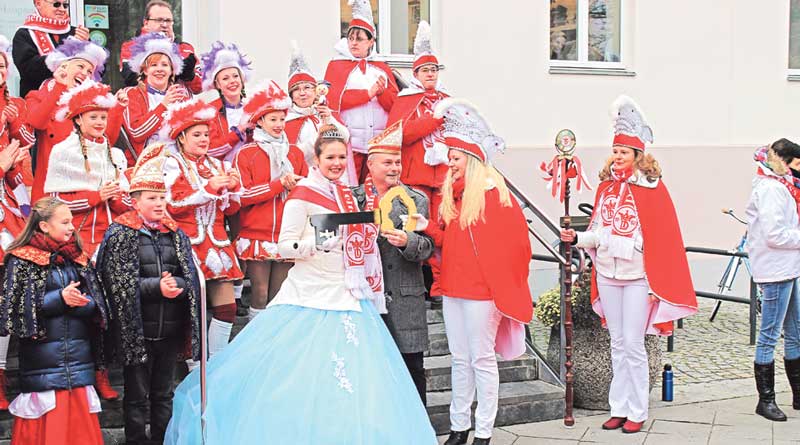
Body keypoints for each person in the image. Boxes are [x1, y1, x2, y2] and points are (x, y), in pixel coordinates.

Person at [164, 125, 437, 444]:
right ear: (316, 158)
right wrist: (316, 244)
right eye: (330, 157)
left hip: (348, 294)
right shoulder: (302, 194)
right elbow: (284, 246)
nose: (336, 163)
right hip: (310, 295)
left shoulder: (347, 193)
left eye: (341, 157)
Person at [560, 96, 698, 434]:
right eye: (615, 151)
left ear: (638, 156)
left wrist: (611, 241)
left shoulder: (653, 190)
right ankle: (617, 406)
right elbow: (596, 230)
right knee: (616, 343)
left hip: (637, 277)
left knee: (634, 344)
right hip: (608, 274)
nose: (617, 157)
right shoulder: (606, 188)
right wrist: (577, 240)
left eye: (624, 152)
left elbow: (653, 240)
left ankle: (637, 409)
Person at [434, 99, 533, 445]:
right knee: (460, 360)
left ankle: (484, 431)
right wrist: (425, 229)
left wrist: (500, 285)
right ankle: (459, 427)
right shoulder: (454, 198)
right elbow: (449, 241)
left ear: (473, 160)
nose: (450, 164)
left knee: (481, 359)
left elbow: (517, 247)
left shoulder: (494, 196)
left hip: (482, 293)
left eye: (456, 158)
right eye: (449, 157)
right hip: (454, 288)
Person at [96, 143, 202, 444]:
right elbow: (116, 281)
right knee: (136, 396)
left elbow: (190, 277)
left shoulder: (175, 233)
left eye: (162, 197)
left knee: (163, 394)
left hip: (168, 329)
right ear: (135, 201)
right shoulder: (120, 233)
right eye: (152, 198)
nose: (159, 204)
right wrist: (157, 287)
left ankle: (162, 439)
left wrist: (178, 287)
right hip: (137, 330)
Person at [0, 197, 109, 445]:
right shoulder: (21, 259)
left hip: (79, 362)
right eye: (65, 221)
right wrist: (60, 298)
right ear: (44, 226)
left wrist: (79, 302)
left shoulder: (78, 258)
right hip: (43, 365)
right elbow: (13, 310)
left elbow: (98, 306)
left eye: (72, 221)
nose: (72, 227)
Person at [352, 121, 435, 403]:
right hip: (364, 298)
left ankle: (417, 430)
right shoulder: (354, 199)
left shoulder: (415, 199)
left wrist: (407, 242)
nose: (394, 168)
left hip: (404, 297)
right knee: (369, 368)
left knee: (412, 369)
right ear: (371, 165)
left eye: (397, 163)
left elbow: (428, 248)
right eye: (387, 162)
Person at [162, 97, 243, 359]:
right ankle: (194, 368)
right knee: (191, 311)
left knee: (228, 308)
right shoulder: (172, 163)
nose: (203, 139)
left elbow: (230, 210)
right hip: (187, 243)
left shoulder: (220, 165)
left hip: (217, 242)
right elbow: (173, 203)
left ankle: (217, 362)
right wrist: (209, 189)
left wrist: (233, 189)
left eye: (206, 134)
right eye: (196, 134)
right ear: (182, 138)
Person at [387, 20, 449, 303]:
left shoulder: (448, 100)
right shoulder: (406, 99)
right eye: (425, 70)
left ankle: (439, 285)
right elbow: (399, 136)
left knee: (442, 227)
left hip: (445, 175)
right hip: (416, 177)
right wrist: (431, 121)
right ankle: (420, 284)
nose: (431, 75)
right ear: (415, 74)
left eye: (434, 70)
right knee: (417, 226)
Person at [234, 80, 307, 319]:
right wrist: (279, 185)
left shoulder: (295, 152)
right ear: (260, 122)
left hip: (287, 232)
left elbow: (306, 191)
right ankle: (256, 345)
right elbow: (242, 195)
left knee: (279, 293)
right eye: (272, 119)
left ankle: (274, 345)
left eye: (282, 119)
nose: (278, 124)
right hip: (257, 233)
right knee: (260, 293)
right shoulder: (246, 153)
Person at [745, 139, 800, 421]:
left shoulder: (782, 185)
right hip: (776, 269)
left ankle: (798, 394)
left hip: (789, 267)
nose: (797, 169)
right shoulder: (769, 189)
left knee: (796, 331)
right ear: (779, 158)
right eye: (795, 163)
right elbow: (775, 235)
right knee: (768, 335)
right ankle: (765, 401)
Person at [44, 80, 131, 257]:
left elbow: (130, 204)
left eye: (103, 117)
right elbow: (56, 200)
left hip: (114, 238)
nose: (99, 122)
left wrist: (116, 198)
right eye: (93, 117)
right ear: (78, 119)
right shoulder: (63, 151)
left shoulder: (115, 154)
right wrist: (97, 196)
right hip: (77, 238)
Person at [25, 37, 110, 202]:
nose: (85, 73)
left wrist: (118, 108)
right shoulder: (37, 96)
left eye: (89, 71)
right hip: (50, 191)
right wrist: (59, 86)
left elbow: (108, 140)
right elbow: (36, 122)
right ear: (63, 66)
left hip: (85, 190)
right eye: (81, 66)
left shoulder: (92, 104)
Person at [324, 0, 398, 183]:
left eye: (359, 39)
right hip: (351, 143)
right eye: (351, 38)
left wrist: (381, 94)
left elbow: (395, 106)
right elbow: (333, 100)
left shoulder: (381, 68)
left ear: (371, 41)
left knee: (375, 189)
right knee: (350, 187)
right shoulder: (336, 66)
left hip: (378, 144)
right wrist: (368, 94)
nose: (353, 43)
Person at [285, 41, 353, 180]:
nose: (302, 93)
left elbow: (345, 137)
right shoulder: (287, 120)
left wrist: (329, 119)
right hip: (309, 178)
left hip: (336, 176)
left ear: (315, 91)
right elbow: (295, 154)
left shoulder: (324, 112)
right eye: (297, 90)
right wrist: (319, 136)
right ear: (291, 96)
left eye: (307, 88)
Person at [122, 32, 191, 164]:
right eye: (154, 65)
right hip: (145, 165)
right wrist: (164, 106)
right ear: (145, 70)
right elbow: (137, 133)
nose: (159, 69)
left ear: (172, 70)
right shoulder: (131, 94)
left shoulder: (182, 96)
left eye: (164, 65)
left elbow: (189, 136)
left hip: (178, 163)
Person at [119, 0, 202, 93]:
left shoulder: (185, 49)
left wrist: (190, 76)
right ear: (146, 23)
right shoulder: (131, 47)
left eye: (168, 20)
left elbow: (199, 88)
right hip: (146, 105)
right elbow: (130, 79)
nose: (165, 25)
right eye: (159, 20)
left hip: (179, 105)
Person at [12, 0, 91, 97]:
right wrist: (68, 51)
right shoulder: (25, 34)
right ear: (38, 3)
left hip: (75, 102)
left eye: (65, 5)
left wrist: (88, 48)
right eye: (56, 4)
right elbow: (28, 69)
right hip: (38, 103)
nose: (62, 9)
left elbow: (97, 71)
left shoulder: (76, 33)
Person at [201, 41, 254, 161]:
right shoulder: (209, 112)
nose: (232, 81)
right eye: (225, 78)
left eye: (235, 76)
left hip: (252, 171)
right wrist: (237, 132)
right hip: (223, 173)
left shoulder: (254, 107)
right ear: (217, 84)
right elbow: (209, 150)